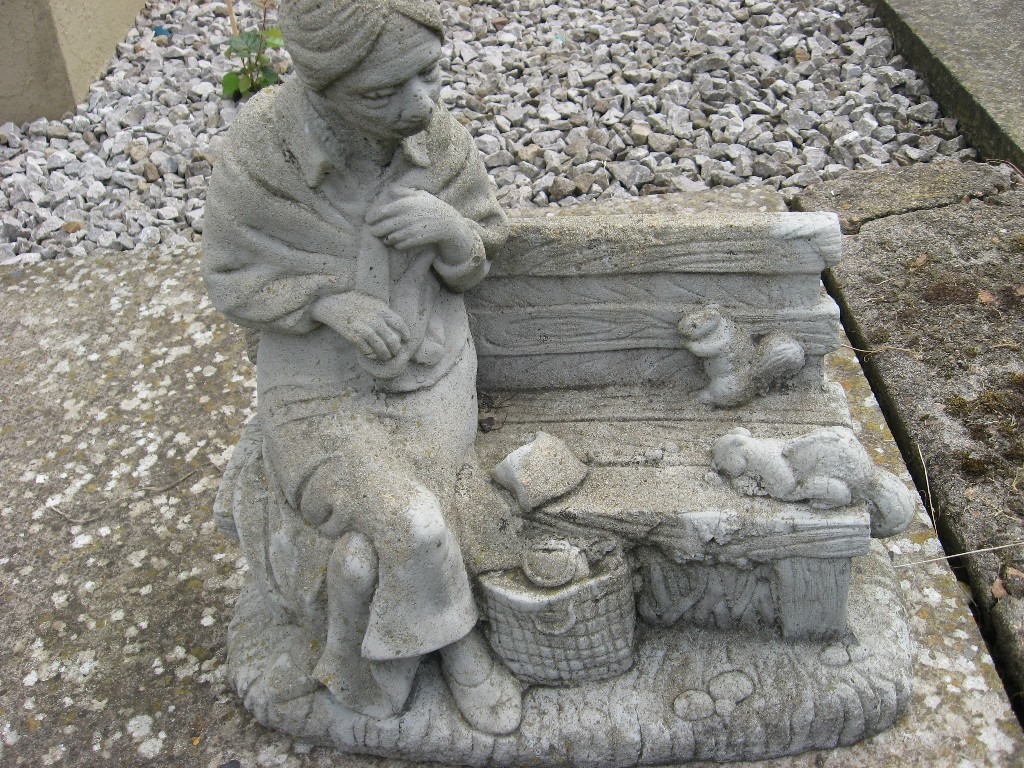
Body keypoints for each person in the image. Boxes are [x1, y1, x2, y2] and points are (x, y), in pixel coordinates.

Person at [203, 0, 521, 735]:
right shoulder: (262, 156)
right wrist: (327, 305)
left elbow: (481, 255)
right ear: (321, 88)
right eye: (382, 93)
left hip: (434, 377)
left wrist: (451, 231)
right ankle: (464, 647)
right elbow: (230, 277)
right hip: (318, 393)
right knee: (414, 523)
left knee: (373, 549)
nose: (421, 104)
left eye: (429, 75)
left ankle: (361, 659)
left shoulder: (438, 141)